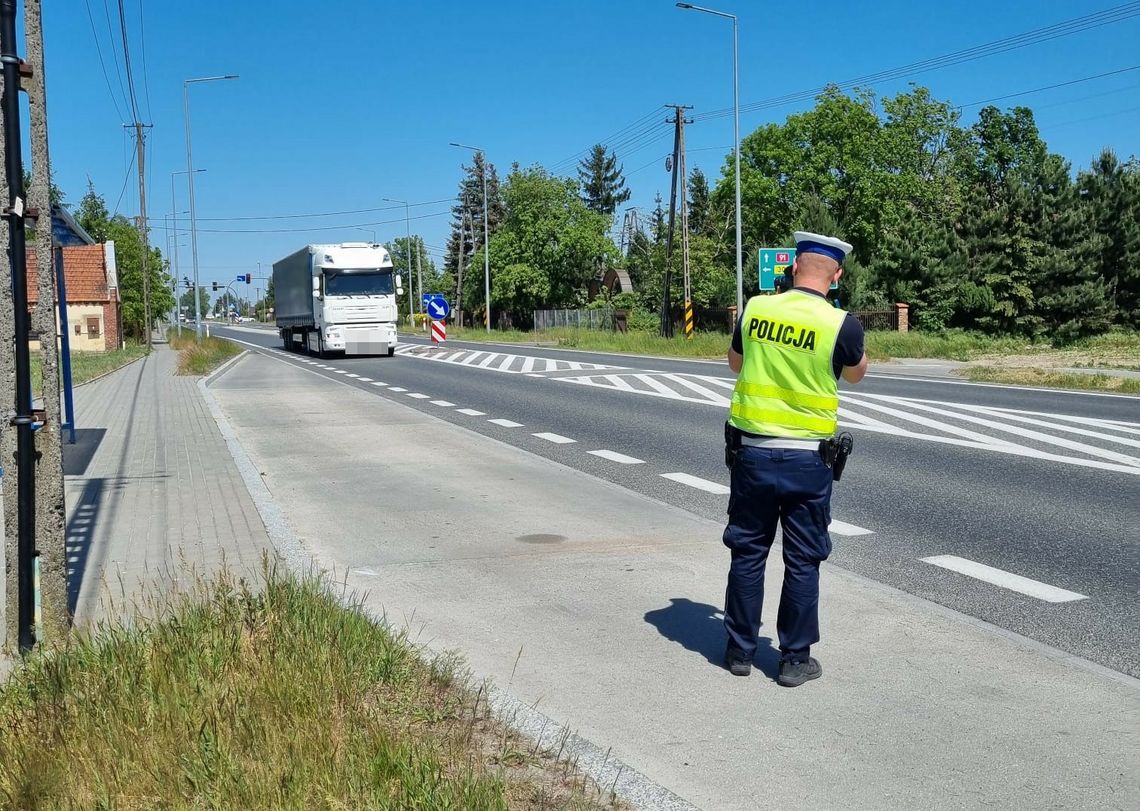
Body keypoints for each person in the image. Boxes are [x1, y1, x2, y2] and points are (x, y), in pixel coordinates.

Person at [722, 231, 868, 687]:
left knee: (748, 552)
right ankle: (794, 660)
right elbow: (856, 375)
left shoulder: (756, 308)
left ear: (792, 267)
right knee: (803, 559)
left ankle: (739, 652)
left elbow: (733, 363)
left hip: (753, 454)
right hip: (809, 461)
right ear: (837, 275)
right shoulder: (842, 323)